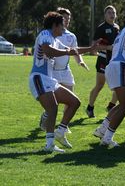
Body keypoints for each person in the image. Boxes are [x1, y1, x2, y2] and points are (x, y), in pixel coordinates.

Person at [29, 11, 101, 153]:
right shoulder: (45, 34)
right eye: (61, 25)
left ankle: (60, 132)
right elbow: (48, 51)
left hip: (49, 80)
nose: (63, 28)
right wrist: (67, 52)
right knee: (53, 108)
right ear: (55, 25)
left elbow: (73, 50)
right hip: (39, 78)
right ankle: (49, 144)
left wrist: (90, 49)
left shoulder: (56, 39)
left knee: (75, 102)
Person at [93, 14, 125, 147]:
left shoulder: (121, 34)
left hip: (113, 66)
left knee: (122, 104)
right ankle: (107, 138)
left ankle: (102, 130)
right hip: (121, 67)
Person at [39, 7, 89, 133]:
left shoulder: (71, 36)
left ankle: (63, 125)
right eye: (64, 18)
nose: (67, 20)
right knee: (53, 100)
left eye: (69, 18)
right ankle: (46, 116)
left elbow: (75, 51)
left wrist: (80, 61)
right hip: (53, 71)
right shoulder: (51, 33)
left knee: (71, 98)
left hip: (65, 71)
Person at [86, 5, 120, 118]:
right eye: (109, 12)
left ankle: (111, 106)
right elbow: (94, 46)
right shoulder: (101, 28)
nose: (112, 15)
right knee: (100, 85)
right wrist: (108, 47)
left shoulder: (117, 27)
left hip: (115, 60)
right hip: (103, 60)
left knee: (119, 85)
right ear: (105, 15)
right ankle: (90, 107)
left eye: (113, 12)